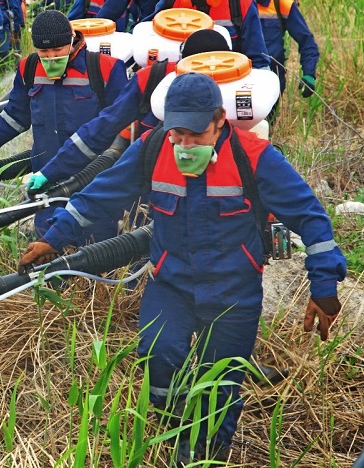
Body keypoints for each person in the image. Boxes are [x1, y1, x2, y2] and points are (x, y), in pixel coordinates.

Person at [19, 71, 346, 464]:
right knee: (157, 356)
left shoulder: (255, 158)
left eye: (196, 135)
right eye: (178, 134)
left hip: (233, 292)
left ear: (220, 120)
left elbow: (311, 219)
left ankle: (204, 453)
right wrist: (55, 237)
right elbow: (100, 195)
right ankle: (175, 426)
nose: (186, 145)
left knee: (219, 382)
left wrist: (324, 287)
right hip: (170, 283)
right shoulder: (152, 148)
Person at [0, 10, 129, 239]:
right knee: (47, 244)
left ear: (72, 40)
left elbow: (123, 126)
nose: (51, 57)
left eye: (58, 50)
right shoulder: (29, 69)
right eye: (44, 51)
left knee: (95, 242)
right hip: (47, 177)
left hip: (92, 178)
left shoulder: (105, 69)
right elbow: (14, 118)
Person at [27, 28, 230, 192]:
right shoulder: (152, 79)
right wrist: (51, 171)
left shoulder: (246, 102)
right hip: (155, 185)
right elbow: (103, 126)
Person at [246, 0, 319, 100]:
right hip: (243, 77)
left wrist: (309, 73)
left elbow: (306, 40)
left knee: (269, 120)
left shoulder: (282, 4)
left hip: (273, 76)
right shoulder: (236, 3)